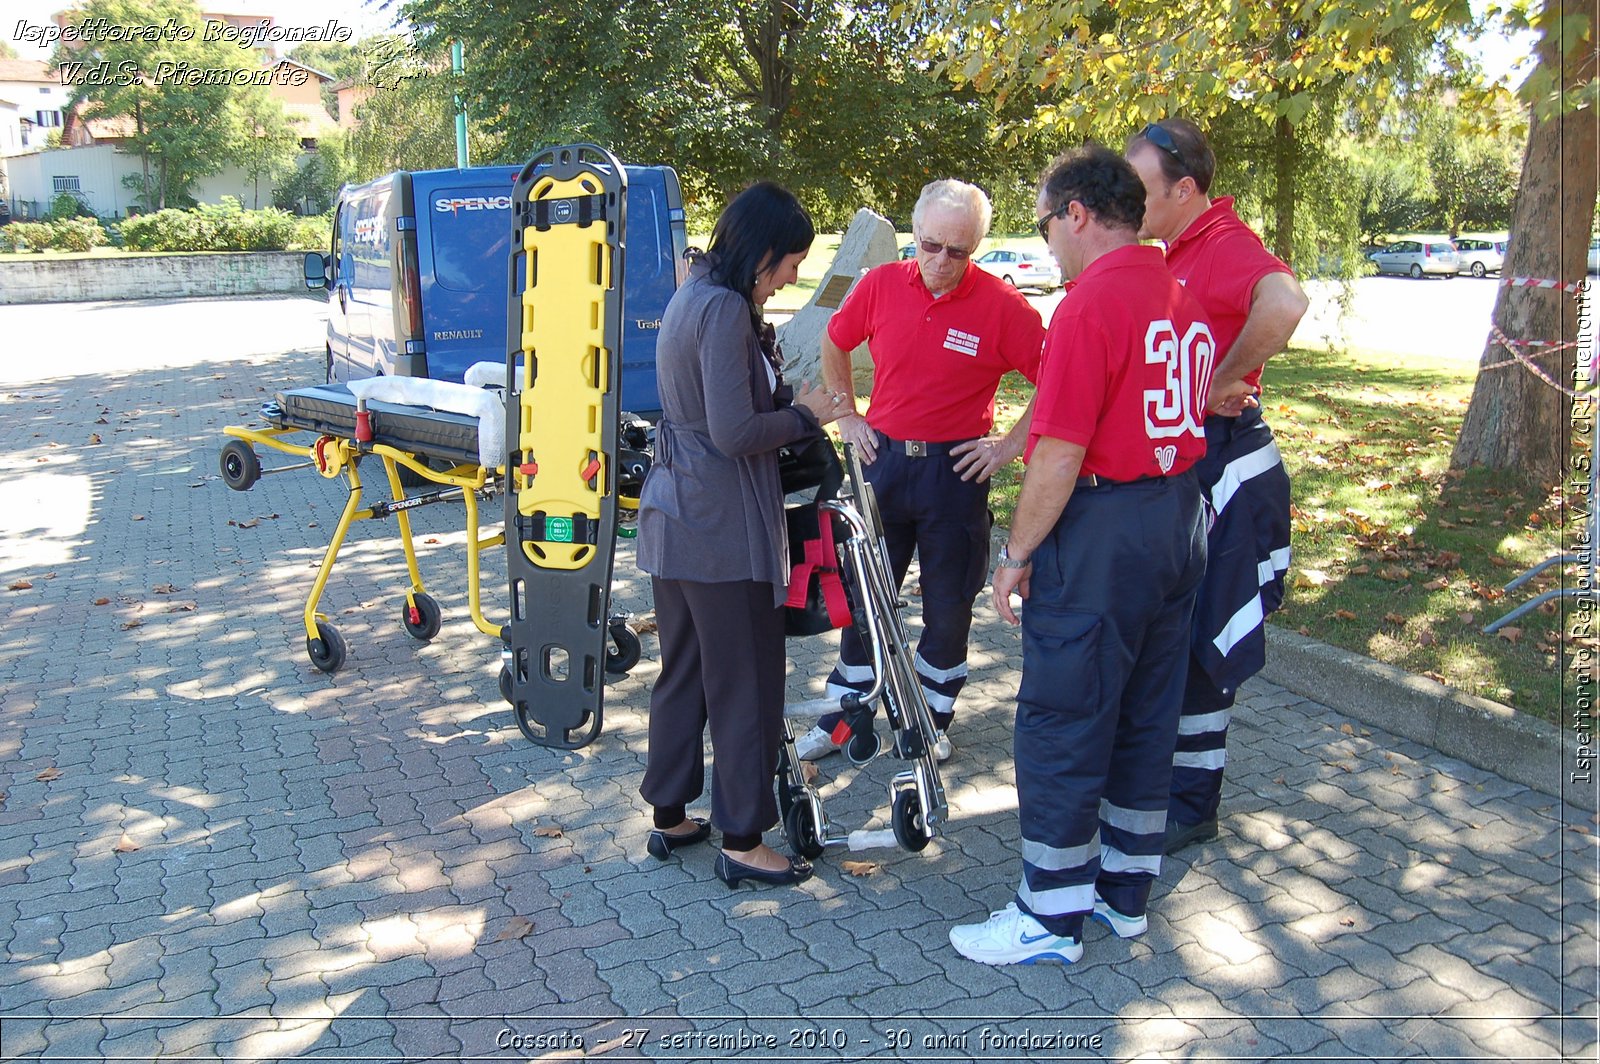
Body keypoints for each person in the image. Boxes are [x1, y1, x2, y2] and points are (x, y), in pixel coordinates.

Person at [948, 144, 1209, 966]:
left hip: (1106, 530)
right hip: (1177, 516)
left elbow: (1058, 453)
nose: (1047, 243)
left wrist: (1016, 552)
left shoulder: (1091, 305)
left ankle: (1048, 916)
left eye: (1043, 223)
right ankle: (1124, 892)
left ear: (1077, 215)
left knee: (1063, 718)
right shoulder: (1179, 292)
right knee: (1145, 713)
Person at [635, 182, 849, 888]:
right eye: (790, 260)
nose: (793, 274)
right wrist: (808, 413)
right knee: (747, 681)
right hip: (721, 526)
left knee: (687, 670)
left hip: (678, 517)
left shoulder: (692, 292)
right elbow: (734, 434)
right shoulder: (725, 309)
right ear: (761, 251)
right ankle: (744, 839)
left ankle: (670, 814)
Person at [793, 178, 1046, 764]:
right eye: (930, 245)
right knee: (864, 594)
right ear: (915, 235)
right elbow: (836, 341)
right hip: (884, 465)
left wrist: (1007, 446)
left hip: (954, 475)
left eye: (958, 252)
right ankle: (844, 719)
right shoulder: (881, 286)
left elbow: (1059, 381)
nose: (940, 262)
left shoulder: (1003, 308)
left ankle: (930, 720)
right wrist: (847, 415)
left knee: (948, 603)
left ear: (976, 248)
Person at [1125, 119, 1307, 854]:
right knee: (1181, 632)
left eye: (1139, 192)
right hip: (1192, 464)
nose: (1127, 205)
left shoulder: (1226, 245)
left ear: (1185, 189)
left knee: (1205, 641)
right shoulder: (1173, 248)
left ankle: (1192, 806)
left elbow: (1286, 303)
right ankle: (1168, 788)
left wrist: (1220, 380)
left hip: (1225, 466)